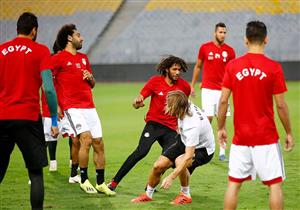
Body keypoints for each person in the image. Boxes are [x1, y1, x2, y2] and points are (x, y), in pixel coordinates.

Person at [217, 20, 295, 210]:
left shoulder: (233, 66)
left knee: (234, 185)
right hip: (266, 138)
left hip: (240, 138)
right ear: (266, 39)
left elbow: (223, 101)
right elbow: (281, 105)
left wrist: (220, 128)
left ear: (245, 39)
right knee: (275, 186)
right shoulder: (273, 67)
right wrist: (289, 132)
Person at [0, 12, 59, 210]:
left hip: (2, 117)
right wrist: (53, 121)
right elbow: (49, 89)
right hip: (28, 117)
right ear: (34, 30)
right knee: (35, 174)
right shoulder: (40, 51)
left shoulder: (1, 50)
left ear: (17, 29)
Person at [108, 55, 191, 191]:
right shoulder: (154, 82)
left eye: (179, 69)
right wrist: (137, 103)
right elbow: (138, 100)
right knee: (141, 152)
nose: (177, 72)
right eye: (174, 69)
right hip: (154, 125)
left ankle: (151, 184)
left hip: (171, 129)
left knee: (168, 159)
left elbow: (183, 109)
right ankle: (114, 182)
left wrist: (180, 127)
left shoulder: (184, 87)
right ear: (166, 70)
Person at [52, 24, 115, 196]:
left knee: (99, 143)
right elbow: (47, 82)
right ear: (69, 38)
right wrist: (56, 105)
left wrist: (91, 78)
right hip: (72, 107)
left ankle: (101, 183)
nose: (83, 38)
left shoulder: (84, 58)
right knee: (85, 139)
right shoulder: (58, 58)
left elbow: (92, 85)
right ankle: (84, 179)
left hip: (89, 106)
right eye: (79, 35)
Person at [131, 90, 215, 205]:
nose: (167, 106)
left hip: (204, 149)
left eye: (169, 105)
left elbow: (188, 157)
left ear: (177, 108)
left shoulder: (192, 125)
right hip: (184, 140)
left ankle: (185, 195)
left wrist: (170, 177)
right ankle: (148, 195)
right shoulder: (184, 103)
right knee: (158, 166)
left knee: (180, 161)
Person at [191, 22, 235, 161]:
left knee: (221, 121)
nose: (223, 35)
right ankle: (200, 147)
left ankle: (222, 152)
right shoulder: (205, 48)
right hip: (208, 89)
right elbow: (198, 66)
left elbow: (232, 71)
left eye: (224, 32)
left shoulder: (230, 51)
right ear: (215, 33)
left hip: (223, 90)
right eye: (220, 32)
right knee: (207, 118)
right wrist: (192, 85)